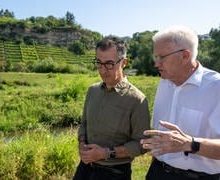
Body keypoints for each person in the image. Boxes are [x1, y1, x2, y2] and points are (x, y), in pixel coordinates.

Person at [140, 25, 220, 180]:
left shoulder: (216, 87)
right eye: (156, 57)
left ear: (185, 56)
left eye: (162, 57)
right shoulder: (164, 83)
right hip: (158, 171)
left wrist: (190, 143)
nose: (156, 64)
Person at [73, 36, 150, 180]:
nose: (102, 70)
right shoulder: (92, 91)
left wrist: (106, 153)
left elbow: (142, 145)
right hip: (84, 168)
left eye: (109, 64)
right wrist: (82, 143)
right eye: (99, 63)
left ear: (124, 63)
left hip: (114, 173)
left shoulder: (137, 100)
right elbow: (84, 124)